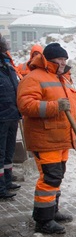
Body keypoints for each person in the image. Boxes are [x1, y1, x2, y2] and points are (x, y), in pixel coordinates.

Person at [17, 43, 76, 234]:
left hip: (61, 137)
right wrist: (54, 106)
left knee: (57, 175)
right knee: (49, 177)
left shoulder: (62, 79)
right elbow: (25, 105)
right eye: (59, 60)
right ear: (48, 60)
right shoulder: (34, 77)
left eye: (64, 60)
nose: (62, 63)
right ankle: (43, 221)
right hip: (45, 137)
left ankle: (52, 210)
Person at [0, 34, 22, 200]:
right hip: (2, 114)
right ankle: (1, 187)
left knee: (8, 151)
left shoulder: (6, 62)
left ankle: (7, 180)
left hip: (12, 113)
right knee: (0, 152)